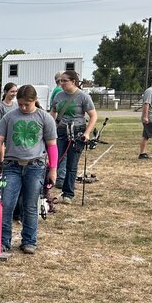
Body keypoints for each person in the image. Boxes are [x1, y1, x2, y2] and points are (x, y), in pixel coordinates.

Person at [0, 85, 58, 255]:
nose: (24, 108)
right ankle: (3, 241)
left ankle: (29, 241)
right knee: (7, 204)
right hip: (12, 166)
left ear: (34, 101)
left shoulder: (45, 118)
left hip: (35, 166)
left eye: (27, 104)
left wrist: (53, 169)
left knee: (30, 205)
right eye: (20, 104)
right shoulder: (9, 117)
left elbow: (52, 146)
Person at [50, 70, 97, 204]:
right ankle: (46, 188)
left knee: (72, 163)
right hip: (60, 131)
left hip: (77, 132)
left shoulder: (83, 97)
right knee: (55, 160)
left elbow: (93, 116)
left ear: (73, 82)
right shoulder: (58, 96)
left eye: (64, 80)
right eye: (60, 81)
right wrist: (51, 126)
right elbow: (53, 111)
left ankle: (68, 193)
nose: (61, 83)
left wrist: (87, 133)